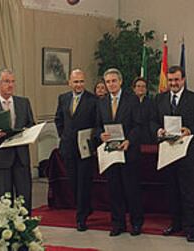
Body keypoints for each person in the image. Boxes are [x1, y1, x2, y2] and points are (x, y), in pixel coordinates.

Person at [150, 65, 194, 242]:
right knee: (171, 191)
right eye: (171, 80)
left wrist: (190, 130)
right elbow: (151, 121)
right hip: (167, 152)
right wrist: (157, 130)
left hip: (186, 153)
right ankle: (175, 224)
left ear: (183, 80)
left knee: (187, 192)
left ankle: (191, 228)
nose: (173, 83)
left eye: (177, 79)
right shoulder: (159, 99)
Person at [96, 68, 144, 237]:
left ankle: (136, 223)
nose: (111, 84)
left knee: (131, 189)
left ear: (120, 82)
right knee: (114, 189)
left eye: (113, 81)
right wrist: (99, 135)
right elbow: (97, 126)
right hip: (110, 153)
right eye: (108, 82)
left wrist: (129, 140)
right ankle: (118, 224)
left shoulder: (132, 100)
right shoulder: (101, 102)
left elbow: (138, 125)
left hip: (128, 151)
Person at [0, 69, 34, 213]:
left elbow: (31, 124)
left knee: (25, 197)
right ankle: (10, 230)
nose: (10, 85)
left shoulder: (23, 102)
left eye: (12, 81)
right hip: (2, 158)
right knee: (5, 198)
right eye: (6, 82)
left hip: (21, 157)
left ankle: (27, 229)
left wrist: (30, 132)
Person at [54, 69, 97, 231]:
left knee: (84, 183)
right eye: (76, 82)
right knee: (73, 182)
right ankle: (85, 207)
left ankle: (81, 217)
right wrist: (63, 135)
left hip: (85, 148)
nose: (79, 85)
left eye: (81, 81)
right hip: (67, 148)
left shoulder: (92, 100)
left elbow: (96, 123)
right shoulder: (63, 98)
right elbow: (58, 119)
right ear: (69, 83)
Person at [132, 77, 155, 144]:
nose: (141, 88)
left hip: (147, 137)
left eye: (143, 86)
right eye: (138, 86)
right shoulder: (128, 102)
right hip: (132, 137)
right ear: (134, 88)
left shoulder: (151, 103)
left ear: (146, 89)